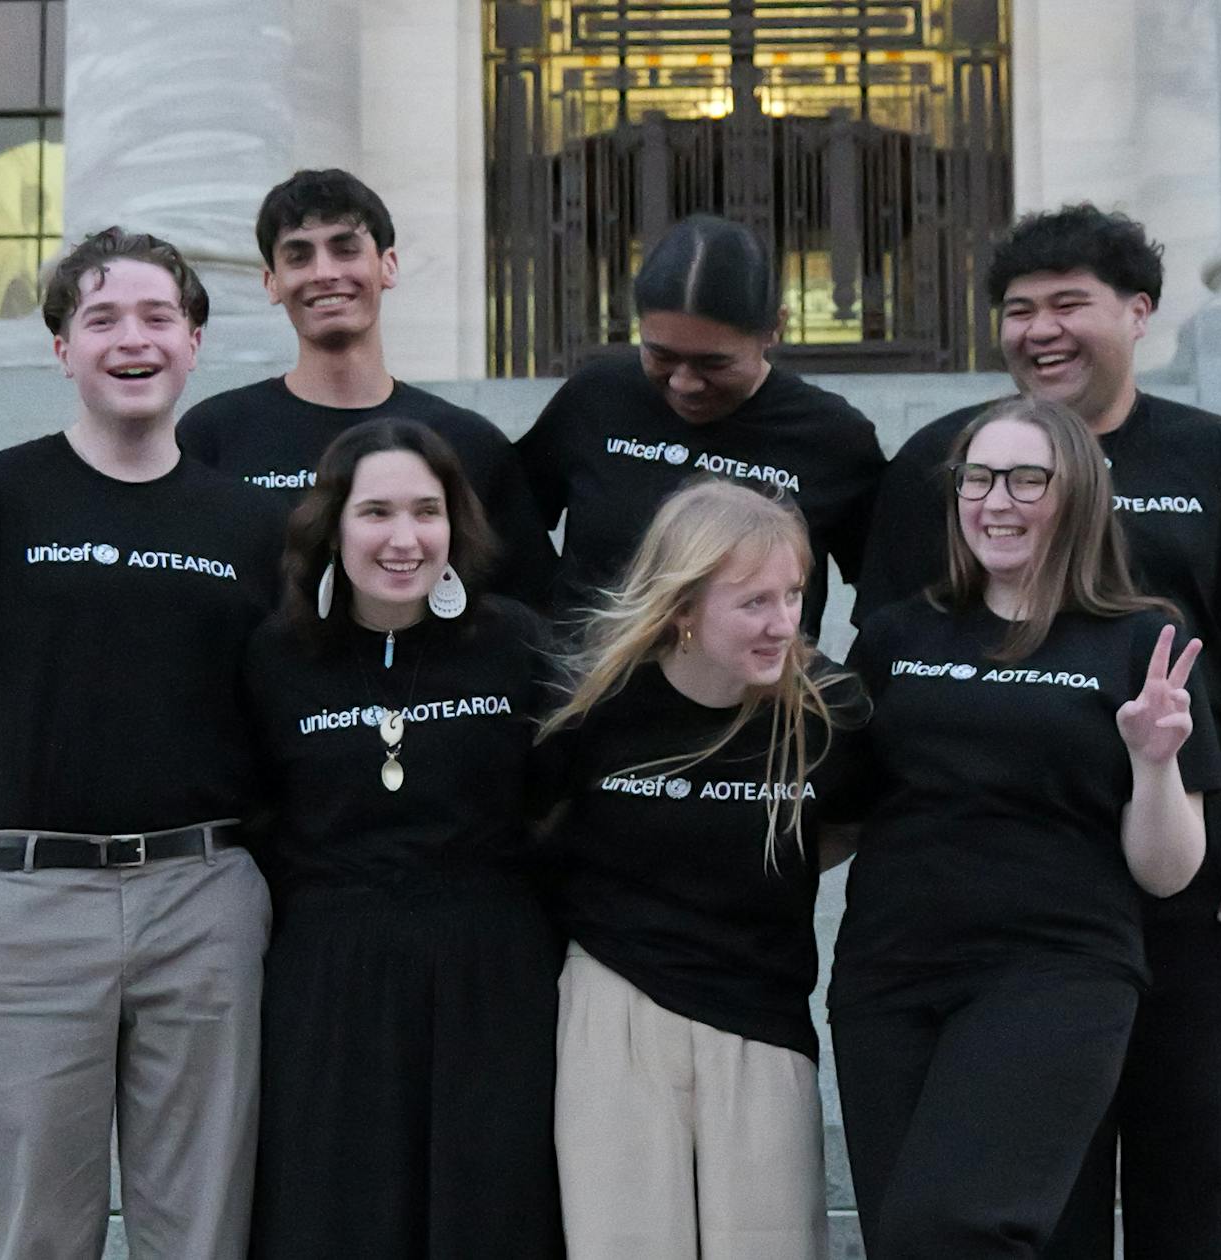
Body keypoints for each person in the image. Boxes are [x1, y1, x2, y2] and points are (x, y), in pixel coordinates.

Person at [853, 206, 1221, 1260]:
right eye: (1019, 311)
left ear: (1140, 312)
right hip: (1016, 863)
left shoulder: (1216, 455)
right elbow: (893, 657)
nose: (1041, 330)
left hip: (1182, 833)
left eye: (1070, 304)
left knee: (1193, 1151)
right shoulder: (947, 461)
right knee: (1032, 1176)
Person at [0, 227, 279, 1260]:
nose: (131, 338)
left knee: (200, 1231)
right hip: (29, 906)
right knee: (33, 1234)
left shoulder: (247, 525)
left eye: (158, 316)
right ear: (62, 348)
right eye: (101, 318)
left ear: (195, 341)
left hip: (202, 900)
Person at [833, 394, 1221, 1258]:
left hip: (1054, 974)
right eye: (977, 478)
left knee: (953, 1229)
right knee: (904, 1239)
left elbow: (1168, 872)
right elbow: (841, 815)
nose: (995, 501)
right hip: (888, 977)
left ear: (1078, 496)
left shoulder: (1141, 643)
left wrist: (1155, 758)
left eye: (1025, 479)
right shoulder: (898, 635)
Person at [241, 419, 564, 1259]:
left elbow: (560, 798)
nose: (404, 538)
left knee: (490, 1210)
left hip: (491, 966)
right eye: (376, 512)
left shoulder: (516, 642)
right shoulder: (275, 657)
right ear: (332, 525)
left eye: (427, 511)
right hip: (329, 972)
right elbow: (254, 811)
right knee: (336, 1212)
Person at [533, 478, 872, 1260]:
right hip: (616, 1006)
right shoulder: (595, 707)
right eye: (754, 602)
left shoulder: (828, 713)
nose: (783, 622)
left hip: (762, 1014)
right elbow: (540, 830)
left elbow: (853, 822)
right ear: (683, 607)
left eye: (793, 595)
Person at [181, 168, 555, 603]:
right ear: (272, 283)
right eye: (299, 256)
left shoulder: (468, 442)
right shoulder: (214, 435)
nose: (324, 272)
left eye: (345, 250)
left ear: (388, 266)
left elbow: (532, 614)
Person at [516, 214, 882, 631]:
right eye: (661, 356)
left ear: (774, 329)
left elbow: (890, 591)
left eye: (715, 363)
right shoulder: (595, 399)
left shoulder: (832, 438)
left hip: (753, 693)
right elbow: (508, 528)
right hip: (589, 688)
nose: (684, 383)